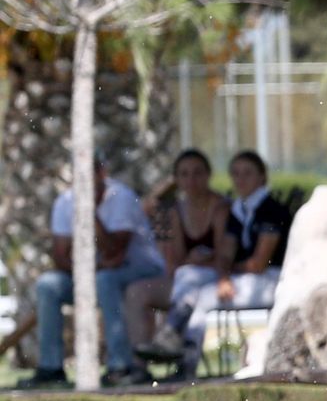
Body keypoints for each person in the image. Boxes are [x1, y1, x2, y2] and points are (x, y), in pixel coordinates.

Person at [139, 151, 289, 378]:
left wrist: (226, 275)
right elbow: (226, 253)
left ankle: (185, 363)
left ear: (262, 177)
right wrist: (223, 275)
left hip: (269, 280)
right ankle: (170, 334)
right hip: (243, 276)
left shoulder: (271, 210)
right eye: (235, 174)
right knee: (188, 273)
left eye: (247, 173)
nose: (240, 180)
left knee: (204, 299)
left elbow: (258, 264)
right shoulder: (239, 211)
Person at [21, 155, 165, 388]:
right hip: (91, 273)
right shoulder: (64, 203)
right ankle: (51, 367)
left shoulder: (122, 197)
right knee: (48, 285)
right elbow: (60, 256)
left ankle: (119, 365)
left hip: (138, 270)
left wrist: (90, 214)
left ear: (101, 173)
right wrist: (88, 271)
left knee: (105, 280)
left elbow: (116, 252)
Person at [122, 149, 229, 382]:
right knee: (137, 292)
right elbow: (174, 263)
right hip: (184, 281)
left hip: (215, 281)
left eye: (197, 173)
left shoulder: (221, 207)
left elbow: (225, 255)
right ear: (177, 179)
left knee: (191, 280)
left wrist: (202, 262)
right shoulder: (174, 211)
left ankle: (173, 344)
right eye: (184, 174)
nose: (191, 180)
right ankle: (139, 366)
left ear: (208, 175)